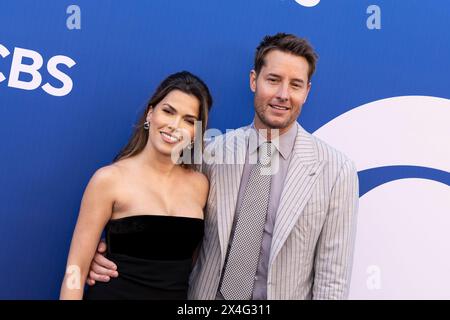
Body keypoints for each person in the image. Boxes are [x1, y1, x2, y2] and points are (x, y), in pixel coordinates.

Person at [88, 33, 359, 300]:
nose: (283, 95)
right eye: (273, 80)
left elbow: (332, 278)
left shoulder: (335, 171)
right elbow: (161, 219)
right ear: (254, 80)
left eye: (296, 85)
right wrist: (107, 255)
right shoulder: (210, 152)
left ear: (307, 91)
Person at [60, 71, 212, 300]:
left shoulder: (200, 185)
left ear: (196, 132)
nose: (174, 126)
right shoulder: (109, 179)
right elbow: (76, 269)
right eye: (168, 111)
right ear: (151, 113)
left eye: (189, 120)